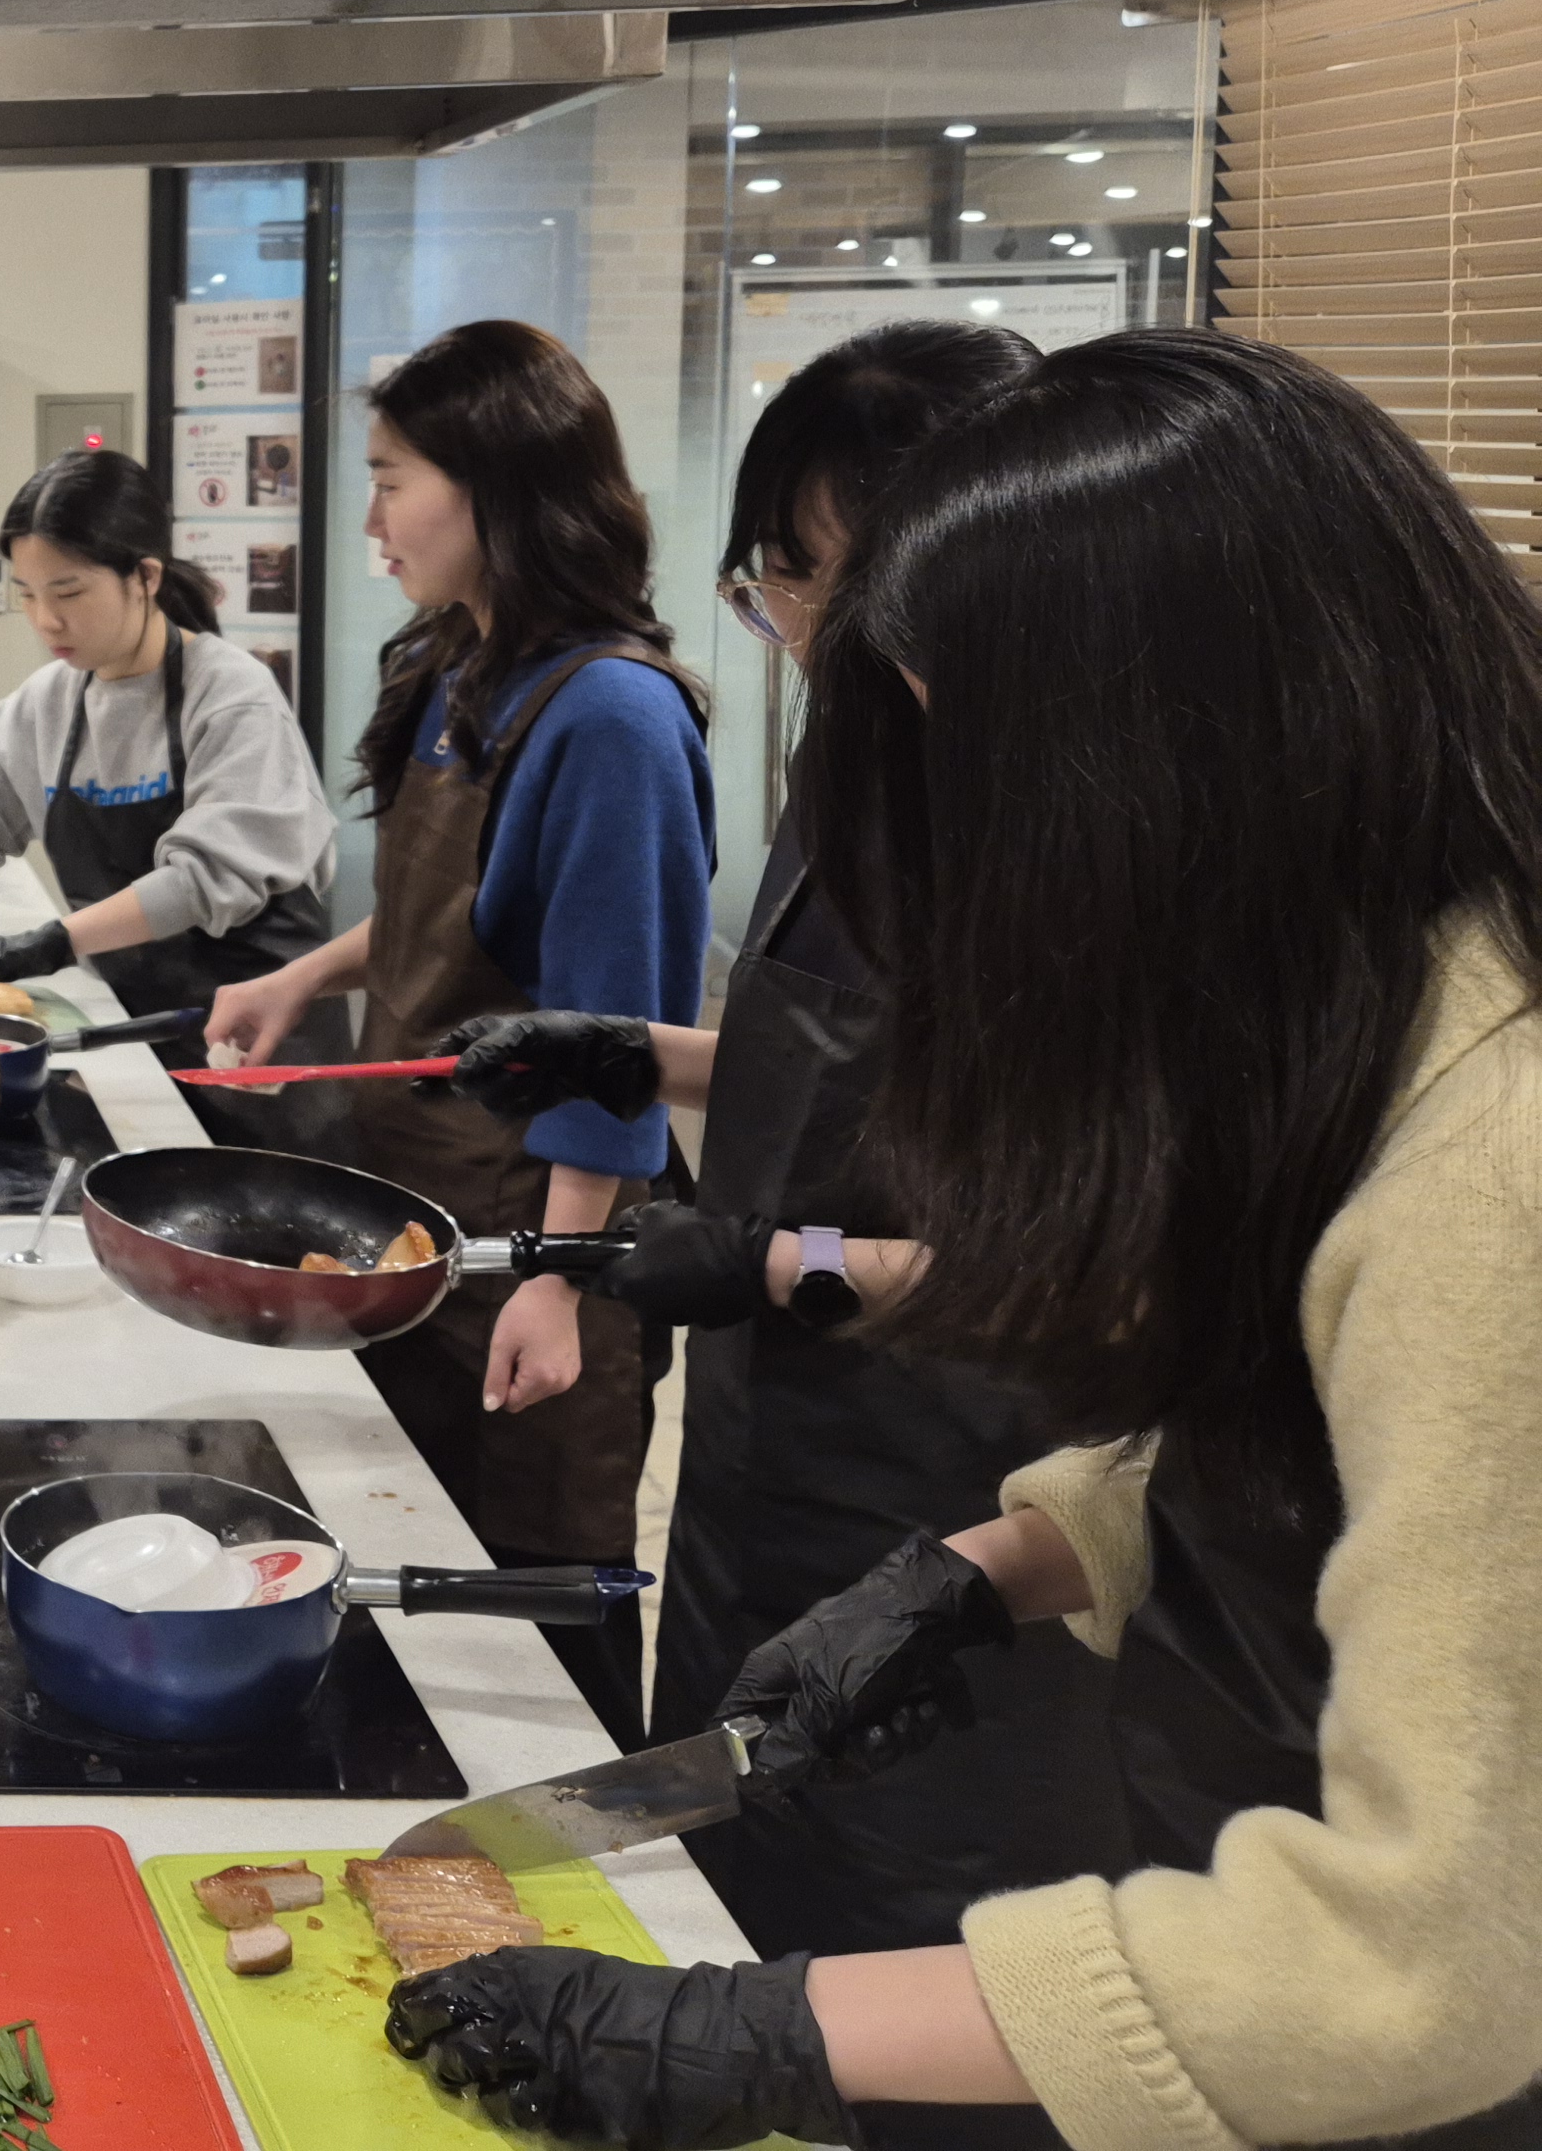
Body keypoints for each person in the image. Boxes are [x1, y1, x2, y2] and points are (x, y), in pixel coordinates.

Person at [384, 331, 1542, 2151]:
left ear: (1178, 745)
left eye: (977, 770)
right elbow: (1291, 1428)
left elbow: (1416, 1970)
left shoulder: (1495, 1166)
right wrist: (994, 1569)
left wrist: (751, 2035)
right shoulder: (1347, 1001)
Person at [438, 328, 1124, 2078]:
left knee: (889, 1973)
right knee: (715, 1880)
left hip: (965, 1511)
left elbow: (1089, 1277)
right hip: (761, 1478)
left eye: (814, 572)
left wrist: (773, 1259)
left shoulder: (1086, 845)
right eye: (776, 575)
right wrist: (639, 1053)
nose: (791, 616)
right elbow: (819, 1068)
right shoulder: (853, 773)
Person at [204, 319, 710, 1746]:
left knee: (534, 1624)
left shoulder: (611, 716)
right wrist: (309, 976)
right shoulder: (460, 664)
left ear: (501, 487)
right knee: (415, 1578)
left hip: (536, 1234)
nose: (371, 521)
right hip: (418, 1215)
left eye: (390, 481)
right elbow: (459, 916)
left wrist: (555, 1274)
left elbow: (615, 1023)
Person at [0, 448, 338, 1076]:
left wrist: (56, 941)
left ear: (146, 577)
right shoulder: (47, 703)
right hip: (136, 1027)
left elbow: (204, 880)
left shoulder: (231, 694)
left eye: (69, 592)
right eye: (28, 595)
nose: (46, 620)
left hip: (261, 1037)